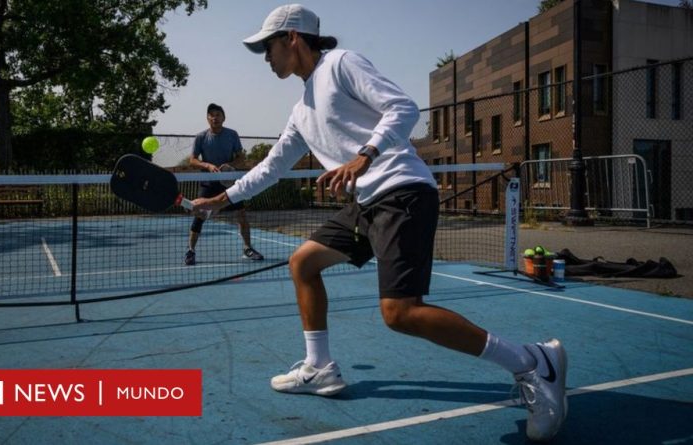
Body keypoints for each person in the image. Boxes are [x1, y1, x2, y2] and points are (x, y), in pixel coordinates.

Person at [192, 5, 567, 442]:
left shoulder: (342, 64)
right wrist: (223, 198)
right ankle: (320, 367)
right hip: (367, 202)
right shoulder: (300, 110)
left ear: (293, 38)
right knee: (304, 263)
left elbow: (403, 108)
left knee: (400, 313)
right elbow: (272, 167)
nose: (265, 56)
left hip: (401, 191)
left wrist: (364, 155)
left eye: (268, 46)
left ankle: (533, 361)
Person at [185, 103, 264, 266]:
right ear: (207, 119)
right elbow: (192, 160)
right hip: (209, 182)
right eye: (211, 115)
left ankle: (247, 248)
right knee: (199, 216)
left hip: (229, 182)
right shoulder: (201, 137)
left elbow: (241, 157)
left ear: (223, 117)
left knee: (241, 215)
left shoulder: (232, 135)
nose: (215, 117)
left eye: (218, 114)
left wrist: (230, 166)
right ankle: (191, 251)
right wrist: (207, 165)